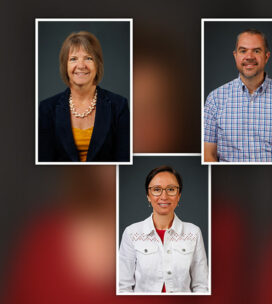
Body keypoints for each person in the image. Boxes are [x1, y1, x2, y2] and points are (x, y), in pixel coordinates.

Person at [204, 28, 272, 162]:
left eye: (256, 51)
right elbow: (208, 155)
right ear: (235, 56)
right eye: (243, 51)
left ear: (266, 56)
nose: (249, 57)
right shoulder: (215, 99)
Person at [38, 31, 130, 162]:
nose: (81, 66)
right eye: (73, 59)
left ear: (98, 64)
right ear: (65, 66)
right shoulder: (46, 109)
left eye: (88, 58)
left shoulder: (119, 106)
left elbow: (124, 160)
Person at [119, 166, 209, 293]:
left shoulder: (193, 233)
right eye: (157, 190)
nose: (164, 196)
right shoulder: (131, 233)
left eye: (171, 189)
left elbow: (201, 286)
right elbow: (122, 287)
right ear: (148, 196)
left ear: (179, 196)